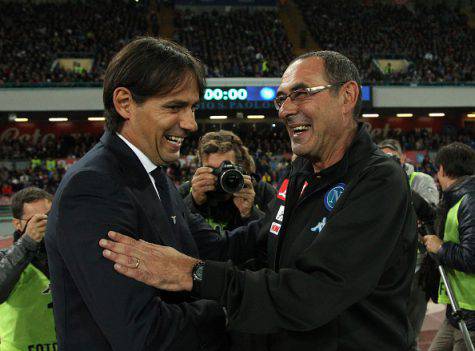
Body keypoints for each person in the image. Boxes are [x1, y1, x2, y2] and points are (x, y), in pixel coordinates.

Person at [100, 50, 417, 350]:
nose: (286, 109)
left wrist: (193, 273)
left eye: (301, 93)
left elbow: (313, 294)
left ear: (347, 96)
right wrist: (169, 200)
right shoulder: (301, 172)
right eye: (282, 98)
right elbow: (249, 244)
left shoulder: (379, 180)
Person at [45, 37, 227, 351]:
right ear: (125, 103)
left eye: (193, 107)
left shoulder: (152, 174)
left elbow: (211, 248)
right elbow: (142, 333)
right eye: (175, 106)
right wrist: (228, 311)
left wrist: (282, 224)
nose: (191, 123)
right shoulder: (93, 187)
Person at [379, 138, 439, 350]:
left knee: (409, 331)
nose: (389, 161)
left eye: (393, 157)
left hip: (417, 265)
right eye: (383, 157)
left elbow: (431, 212)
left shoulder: (420, 179)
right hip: (386, 267)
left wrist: (400, 184)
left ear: (403, 157)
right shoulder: (375, 182)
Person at [422, 142, 475, 351]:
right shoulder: (460, 198)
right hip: (457, 310)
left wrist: (440, 247)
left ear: (442, 169)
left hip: (470, 313)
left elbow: (471, 257)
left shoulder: (469, 200)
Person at [178, 130, 276, 232]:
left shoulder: (263, 192)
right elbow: (174, 234)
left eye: (226, 169)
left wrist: (250, 213)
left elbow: (274, 240)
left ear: (240, 166)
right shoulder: (187, 191)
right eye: (212, 170)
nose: (220, 177)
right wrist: (193, 203)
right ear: (201, 168)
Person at [0, 187, 55, 351]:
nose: (45, 224)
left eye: (50, 217)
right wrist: (27, 243)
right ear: (17, 223)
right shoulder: (5, 258)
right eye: (36, 220)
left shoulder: (67, 256)